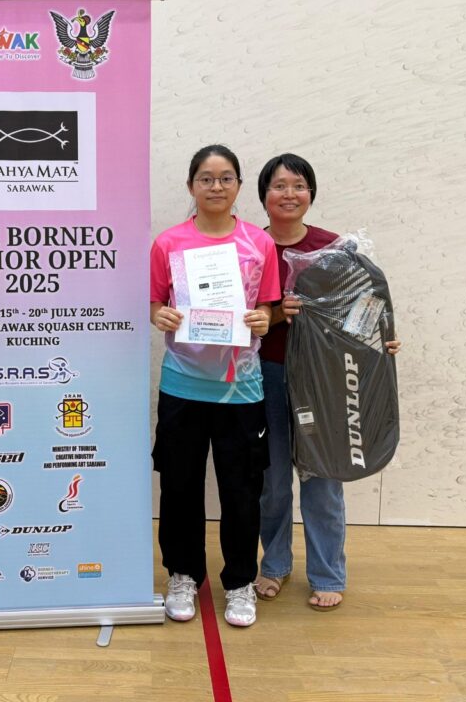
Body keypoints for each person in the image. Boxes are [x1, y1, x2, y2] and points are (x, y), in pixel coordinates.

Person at [253, 153, 400, 611]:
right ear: (263, 195)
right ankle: (274, 565)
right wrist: (277, 314)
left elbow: (363, 311)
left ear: (311, 193)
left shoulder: (333, 248)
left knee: (323, 476)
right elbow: (234, 315)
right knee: (273, 481)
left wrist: (382, 343)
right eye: (279, 186)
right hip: (265, 374)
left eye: (298, 185)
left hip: (326, 379)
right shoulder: (250, 246)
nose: (289, 194)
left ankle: (327, 573)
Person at [150, 145, 279, 627]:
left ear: (239, 186)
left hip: (240, 390)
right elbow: (154, 302)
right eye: (206, 178)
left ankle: (240, 582)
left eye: (226, 178)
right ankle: (183, 573)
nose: (216, 186)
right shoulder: (168, 243)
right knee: (179, 487)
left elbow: (267, 307)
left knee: (241, 491)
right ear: (191, 186)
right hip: (183, 385)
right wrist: (159, 314)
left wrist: (262, 319)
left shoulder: (258, 243)